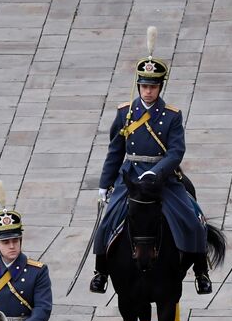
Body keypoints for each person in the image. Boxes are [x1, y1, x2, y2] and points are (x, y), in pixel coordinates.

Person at [90, 30, 214, 295]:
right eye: (145, 86)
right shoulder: (125, 113)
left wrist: (156, 172)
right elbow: (115, 151)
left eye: (153, 86)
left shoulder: (172, 116)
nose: (148, 91)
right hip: (131, 175)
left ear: (160, 87)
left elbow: (176, 151)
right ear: (139, 85)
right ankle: (100, 271)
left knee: (193, 220)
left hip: (163, 179)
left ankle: (201, 271)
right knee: (107, 222)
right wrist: (105, 184)